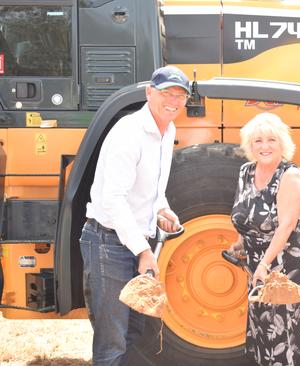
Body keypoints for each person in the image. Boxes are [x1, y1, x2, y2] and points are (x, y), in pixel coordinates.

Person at [80, 65, 190, 365]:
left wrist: (161, 209)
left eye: (181, 95)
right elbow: (113, 200)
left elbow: (151, 188)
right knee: (112, 338)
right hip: (108, 242)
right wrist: (144, 251)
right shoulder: (128, 133)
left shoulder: (168, 131)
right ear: (149, 92)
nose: (174, 100)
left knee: (134, 329)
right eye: (167, 92)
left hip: (134, 239)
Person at [230, 112, 300, 365]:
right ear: (249, 145)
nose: (264, 146)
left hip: (291, 267)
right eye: (258, 141)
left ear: (282, 144)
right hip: (260, 265)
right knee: (266, 328)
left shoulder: (290, 176)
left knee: (290, 331)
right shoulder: (245, 172)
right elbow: (246, 214)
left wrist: (264, 264)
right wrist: (241, 241)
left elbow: (285, 226)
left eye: (271, 140)